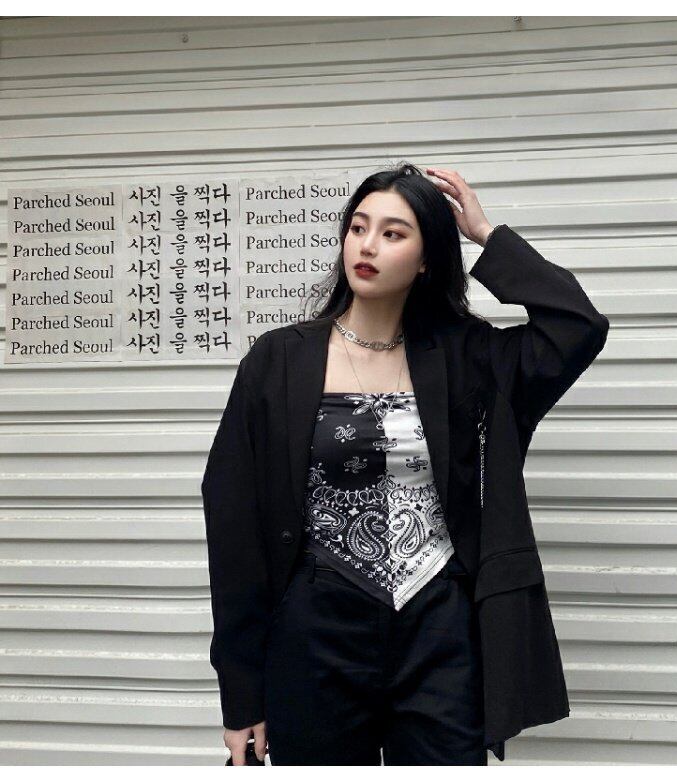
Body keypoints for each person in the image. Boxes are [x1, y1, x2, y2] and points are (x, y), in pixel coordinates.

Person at [202, 163, 609, 765]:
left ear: (425, 260)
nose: (367, 246)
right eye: (358, 227)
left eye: (393, 233)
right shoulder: (279, 360)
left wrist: (487, 236)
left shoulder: (468, 356)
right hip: (318, 629)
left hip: (439, 627)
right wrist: (241, 694)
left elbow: (577, 327)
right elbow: (233, 522)